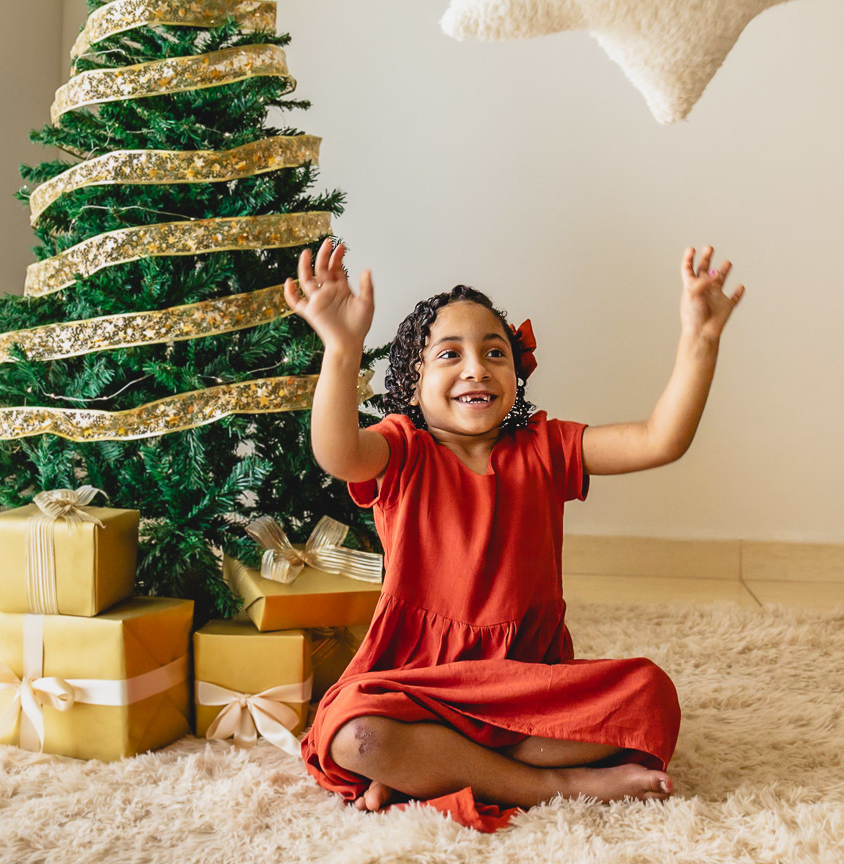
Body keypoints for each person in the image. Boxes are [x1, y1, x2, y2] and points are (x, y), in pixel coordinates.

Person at [285, 239, 744, 822]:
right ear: (412, 382)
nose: (476, 367)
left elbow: (660, 439)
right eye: (450, 354)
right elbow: (337, 453)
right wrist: (342, 347)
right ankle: (549, 784)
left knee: (649, 696)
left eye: (495, 352)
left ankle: (433, 768)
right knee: (355, 735)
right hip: (419, 680)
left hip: (527, 685)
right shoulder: (402, 450)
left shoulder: (546, 447)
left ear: (516, 373)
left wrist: (701, 340)